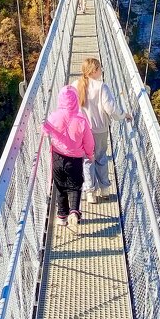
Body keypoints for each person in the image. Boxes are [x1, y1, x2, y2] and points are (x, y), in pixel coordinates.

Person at [43, 84, 94, 232]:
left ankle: (61, 217)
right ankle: (74, 212)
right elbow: (89, 142)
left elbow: (46, 131)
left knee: (60, 187)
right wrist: (90, 155)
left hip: (57, 157)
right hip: (75, 160)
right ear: (76, 101)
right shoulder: (81, 120)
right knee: (75, 186)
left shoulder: (53, 116)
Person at [77, 57, 129, 204]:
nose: (101, 71)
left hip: (82, 131)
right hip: (99, 130)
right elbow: (111, 109)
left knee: (87, 159)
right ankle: (105, 189)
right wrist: (124, 115)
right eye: (100, 68)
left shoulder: (75, 85)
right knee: (100, 157)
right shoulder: (101, 87)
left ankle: (90, 193)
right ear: (94, 71)